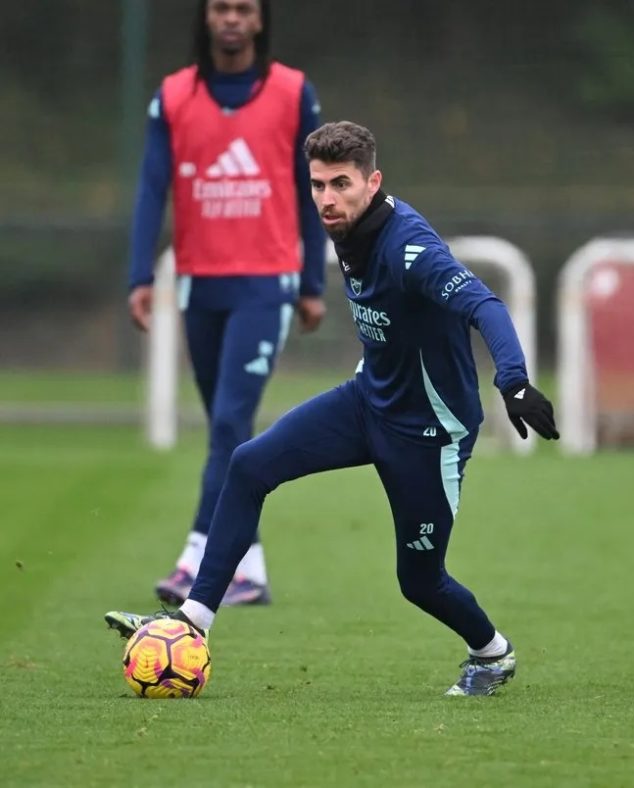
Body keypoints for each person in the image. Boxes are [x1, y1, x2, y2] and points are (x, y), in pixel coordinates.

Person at [106, 121, 559, 696]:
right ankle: (191, 622)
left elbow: (486, 306)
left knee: (419, 582)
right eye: (317, 184)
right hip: (367, 403)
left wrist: (514, 383)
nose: (326, 199)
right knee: (248, 465)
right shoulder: (346, 228)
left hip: (429, 434)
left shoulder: (412, 250)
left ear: (373, 182)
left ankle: (492, 653)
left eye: (340, 184)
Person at [127, 0, 326, 607]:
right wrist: (140, 273)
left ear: (260, 20)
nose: (232, 18)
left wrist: (312, 280)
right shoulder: (174, 95)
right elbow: (151, 186)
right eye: (221, 8)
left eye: (243, 8)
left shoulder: (293, 92)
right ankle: (250, 567)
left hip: (265, 283)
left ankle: (197, 555)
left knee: (227, 423)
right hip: (198, 285)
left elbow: (307, 189)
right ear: (206, 18)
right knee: (230, 434)